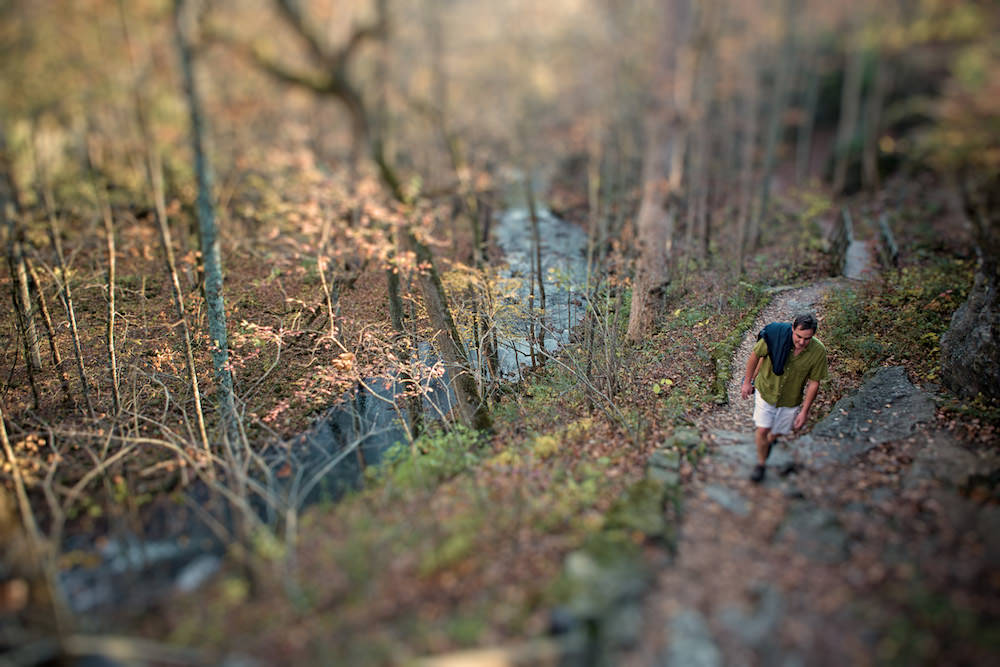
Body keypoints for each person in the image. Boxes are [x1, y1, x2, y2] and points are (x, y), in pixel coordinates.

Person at [740, 313, 828, 483]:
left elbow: (814, 383)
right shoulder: (775, 337)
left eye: (807, 338)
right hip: (766, 391)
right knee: (763, 430)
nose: (802, 342)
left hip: (790, 399)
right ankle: (761, 464)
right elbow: (754, 356)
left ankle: (770, 442)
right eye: (799, 336)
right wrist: (747, 382)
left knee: (777, 432)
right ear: (792, 329)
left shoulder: (818, 352)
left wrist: (804, 411)